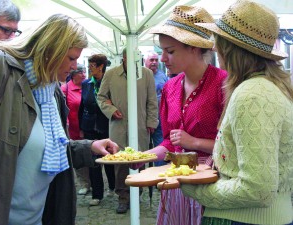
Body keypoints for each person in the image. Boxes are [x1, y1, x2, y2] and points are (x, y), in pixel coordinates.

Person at [0, 14, 119, 225]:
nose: (75, 66)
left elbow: (51, 149)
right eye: (71, 58)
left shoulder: (51, 92)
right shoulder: (0, 67)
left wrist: (90, 147)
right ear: (49, 49)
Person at [180, 1, 293, 225]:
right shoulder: (272, 88)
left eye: (218, 42)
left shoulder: (252, 93)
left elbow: (257, 189)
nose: (214, 49)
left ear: (229, 48)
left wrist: (194, 188)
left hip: (242, 220)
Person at [134, 5, 227, 225]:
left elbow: (234, 146)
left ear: (194, 48)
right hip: (176, 182)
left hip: (211, 182)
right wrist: (144, 156)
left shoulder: (223, 84)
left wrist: (194, 142)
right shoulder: (170, 87)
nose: (163, 57)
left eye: (170, 51)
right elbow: (169, 142)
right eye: (162, 50)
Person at [97, 48, 158, 214]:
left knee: (139, 159)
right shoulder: (111, 74)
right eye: (130, 57)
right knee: (121, 162)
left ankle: (136, 193)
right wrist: (110, 110)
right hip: (119, 126)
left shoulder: (146, 74)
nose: (133, 60)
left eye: (136, 57)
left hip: (140, 126)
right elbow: (101, 97)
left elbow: (152, 101)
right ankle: (122, 196)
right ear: (123, 57)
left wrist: (152, 122)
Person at [79, 54, 115, 206]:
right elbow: (82, 106)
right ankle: (97, 194)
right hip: (89, 127)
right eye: (88, 65)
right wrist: (81, 127)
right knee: (93, 161)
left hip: (105, 126)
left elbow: (113, 104)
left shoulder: (110, 83)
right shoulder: (87, 83)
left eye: (92, 66)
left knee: (109, 160)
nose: (89, 68)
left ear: (101, 66)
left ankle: (113, 186)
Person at [61, 63, 91, 196]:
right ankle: (84, 183)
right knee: (78, 156)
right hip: (73, 128)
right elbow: (63, 109)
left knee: (91, 154)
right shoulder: (66, 89)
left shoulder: (89, 86)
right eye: (80, 72)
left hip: (88, 127)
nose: (84, 74)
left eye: (84, 72)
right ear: (73, 75)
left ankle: (95, 183)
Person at [144, 50, 168, 166]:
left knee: (160, 148)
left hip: (160, 120)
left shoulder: (162, 75)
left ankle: (159, 178)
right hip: (144, 120)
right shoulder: (139, 76)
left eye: (156, 60)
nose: (154, 62)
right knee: (142, 150)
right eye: (151, 60)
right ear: (145, 61)